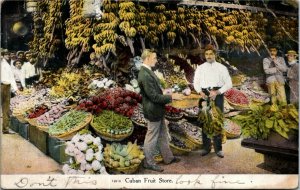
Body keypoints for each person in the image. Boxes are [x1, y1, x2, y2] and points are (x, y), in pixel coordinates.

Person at [138, 49, 180, 172]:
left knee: (162, 134)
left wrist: (165, 91)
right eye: (154, 58)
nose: (156, 60)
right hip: (153, 109)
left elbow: (155, 91)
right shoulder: (144, 74)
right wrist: (171, 97)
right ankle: (149, 162)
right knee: (151, 137)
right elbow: (154, 97)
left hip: (157, 109)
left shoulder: (147, 71)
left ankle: (168, 158)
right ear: (147, 58)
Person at [193, 44, 232, 158]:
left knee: (217, 121)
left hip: (217, 95)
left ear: (215, 54)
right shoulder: (200, 68)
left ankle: (218, 148)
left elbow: (229, 83)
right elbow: (196, 82)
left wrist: (218, 92)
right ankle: (206, 148)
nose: (208, 56)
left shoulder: (222, 68)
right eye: (206, 54)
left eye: (211, 54)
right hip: (204, 95)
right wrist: (200, 91)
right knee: (205, 120)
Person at [1, 49, 19, 134]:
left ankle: (5, 128)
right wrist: (15, 89)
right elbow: (10, 78)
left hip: (5, 86)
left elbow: (11, 78)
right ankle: (5, 129)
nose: (8, 56)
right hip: (4, 86)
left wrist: (15, 89)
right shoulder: (4, 64)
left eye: (8, 55)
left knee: (5, 108)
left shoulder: (6, 65)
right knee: (6, 108)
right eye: (6, 55)